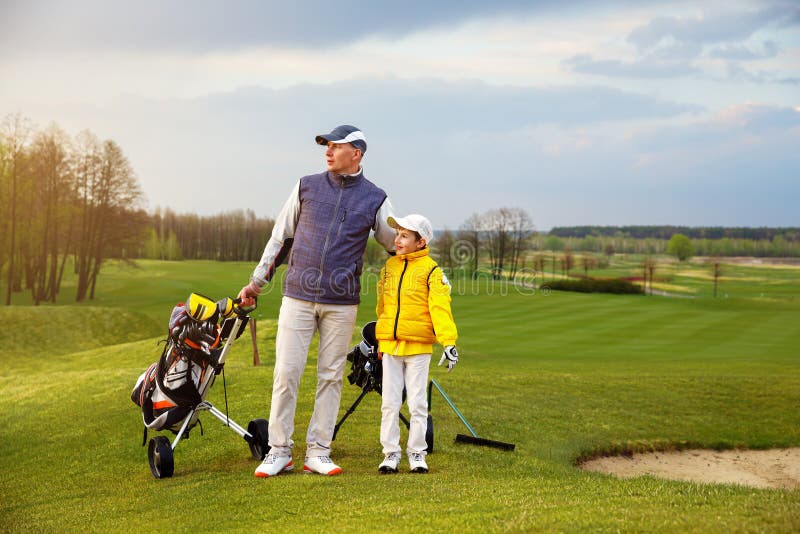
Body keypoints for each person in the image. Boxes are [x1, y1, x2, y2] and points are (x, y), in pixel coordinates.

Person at [239, 125, 396, 478]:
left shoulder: (376, 198)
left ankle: (319, 451)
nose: (327, 151)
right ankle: (279, 450)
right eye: (325, 146)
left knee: (331, 376)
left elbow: (394, 243)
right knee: (286, 372)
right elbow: (281, 237)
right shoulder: (306, 185)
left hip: (342, 303)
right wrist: (256, 282)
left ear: (356, 153)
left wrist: (420, 270)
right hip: (298, 296)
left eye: (335, 146)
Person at [374, 214, 459, 474]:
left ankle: (417, 453)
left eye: (403, 235)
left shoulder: (432, 271)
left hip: (419, 348)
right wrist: (380, 340)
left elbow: (440, 308)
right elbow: (383, 308)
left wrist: (448, 342)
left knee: (417, 404)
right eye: (397, 234)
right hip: (390, 346)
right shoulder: (389, 267)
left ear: (420, 241)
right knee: (389, 403)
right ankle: (390, 454)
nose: (397, 240)